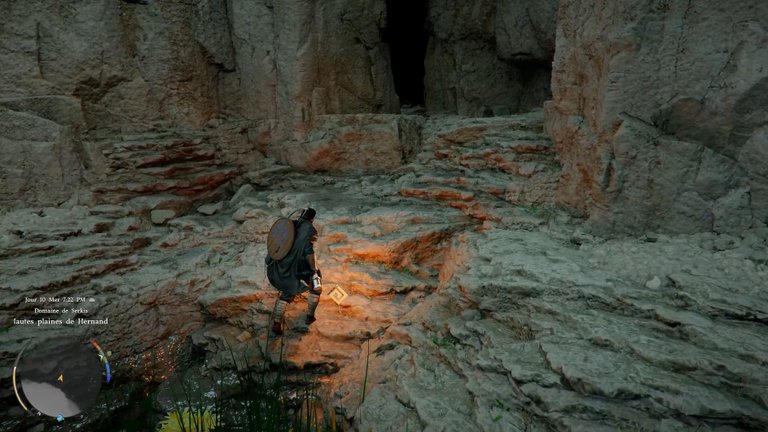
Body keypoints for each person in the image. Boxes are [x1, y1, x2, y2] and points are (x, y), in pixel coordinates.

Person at [264, 208, 322, 335]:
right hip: (299, 268)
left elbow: (276, 246)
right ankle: (310, 316)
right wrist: (314, 270)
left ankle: (277, 323)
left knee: (286, 293)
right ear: (312, 219)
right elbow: (308, 252)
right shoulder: (308, 231)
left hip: (282, 267)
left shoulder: (291, 226)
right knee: (317, 286)